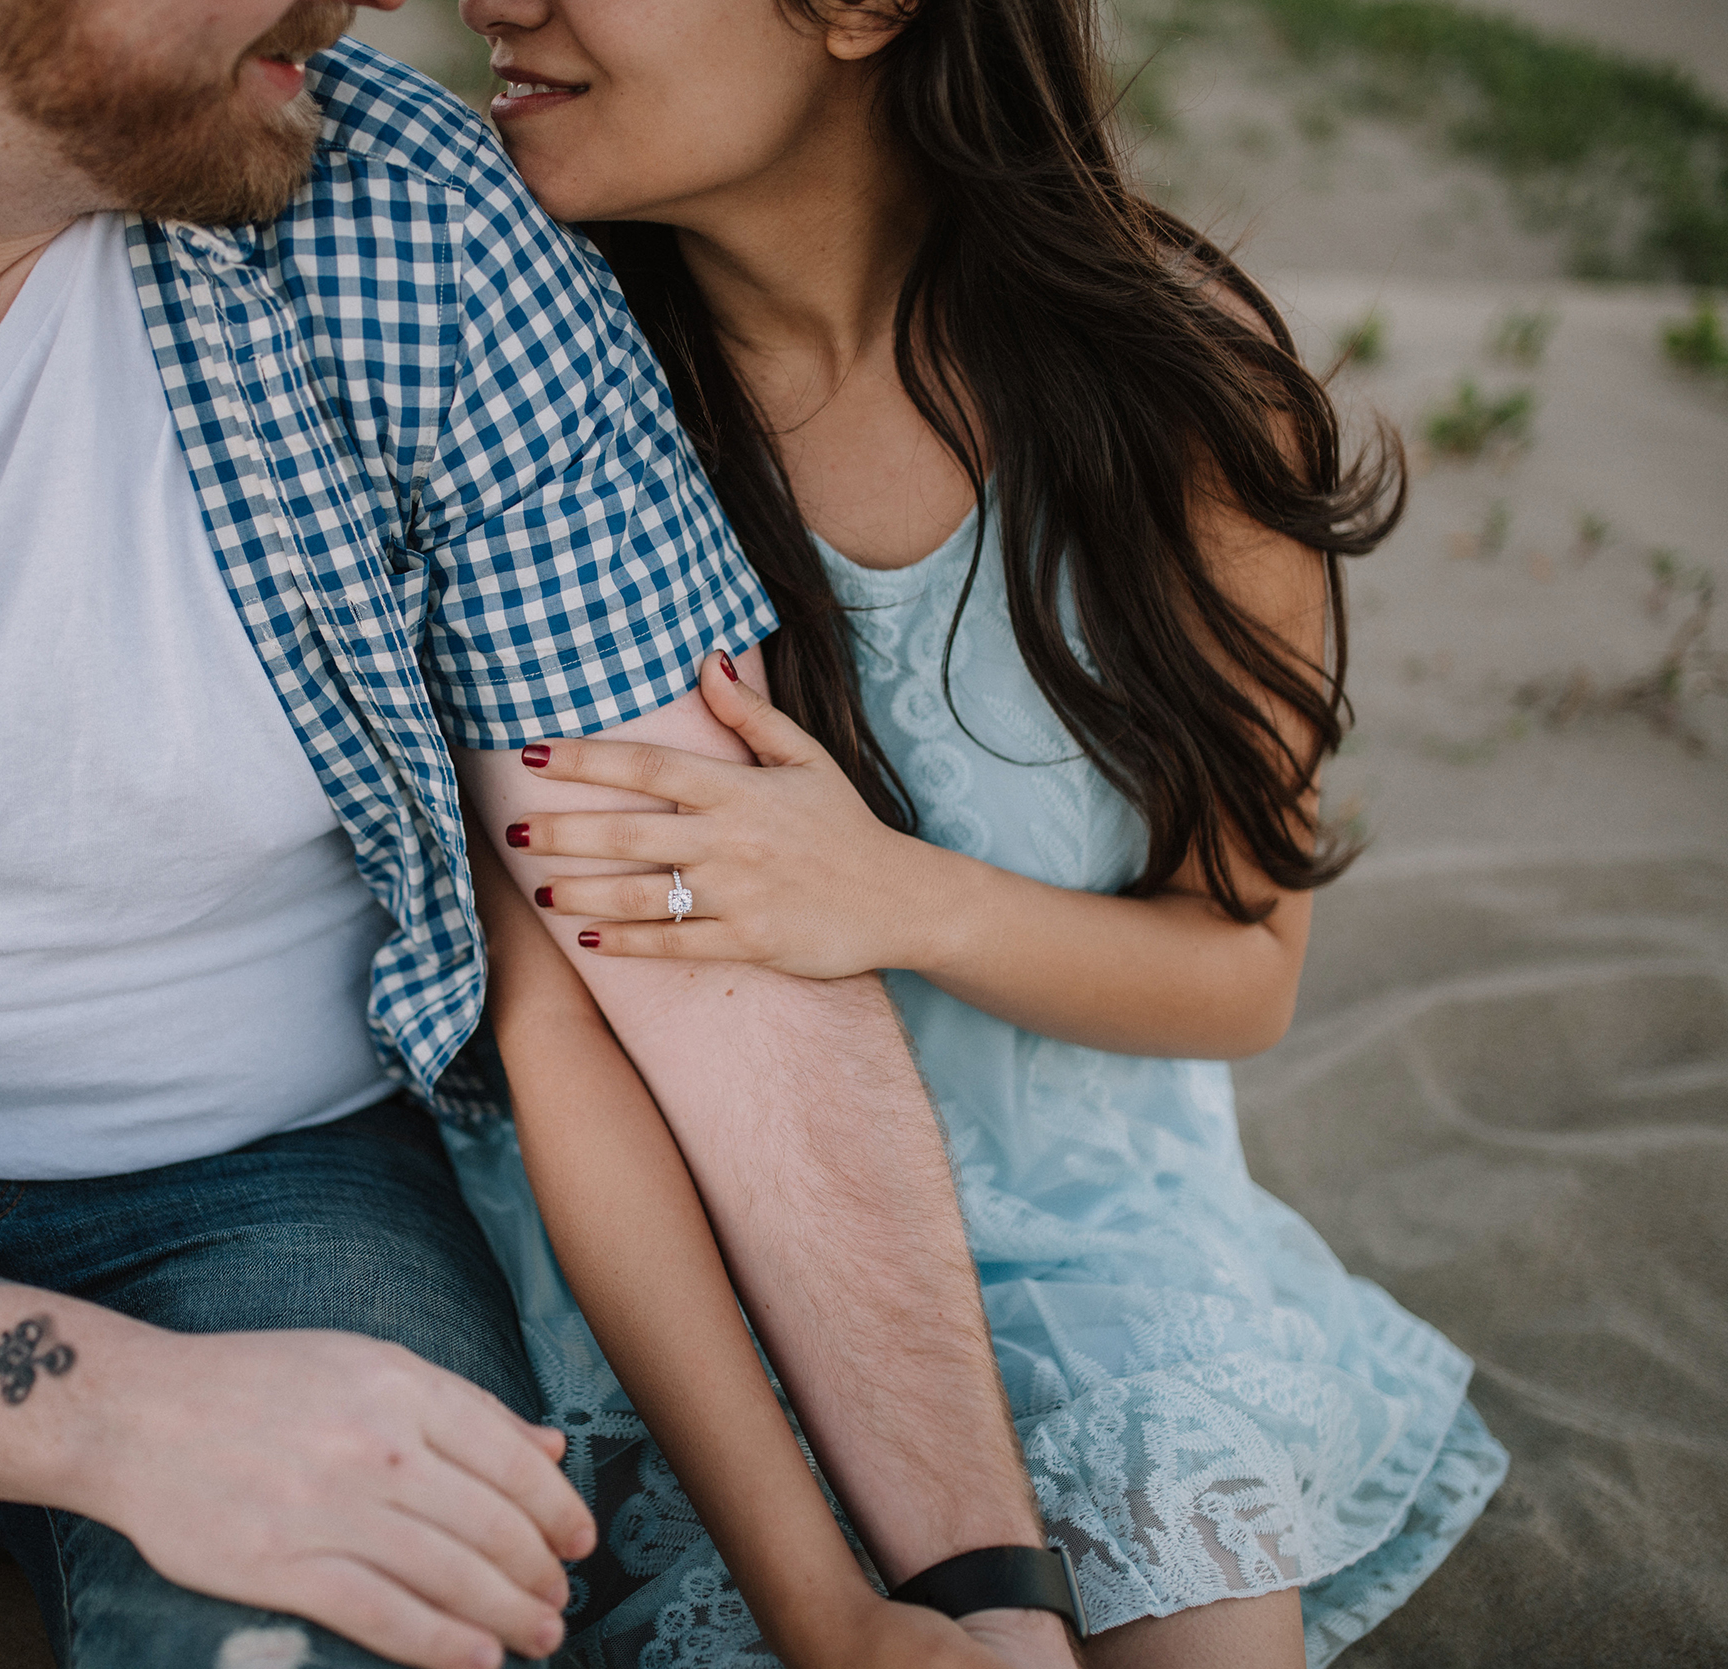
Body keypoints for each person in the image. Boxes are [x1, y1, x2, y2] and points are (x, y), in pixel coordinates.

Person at [0, 2, 1082, 1667]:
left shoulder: (408, 209)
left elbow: (708, 947)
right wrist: (115, 1416)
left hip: (266, 1192)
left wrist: (974, 1586)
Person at [451, 0, 1514, 1663]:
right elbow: (556, 1022)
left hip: (1108, 1259)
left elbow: (1241, 970)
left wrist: (895, 897)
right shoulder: (541, 423)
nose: (493, 1)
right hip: (704, 1304)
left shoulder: (1175, 413)